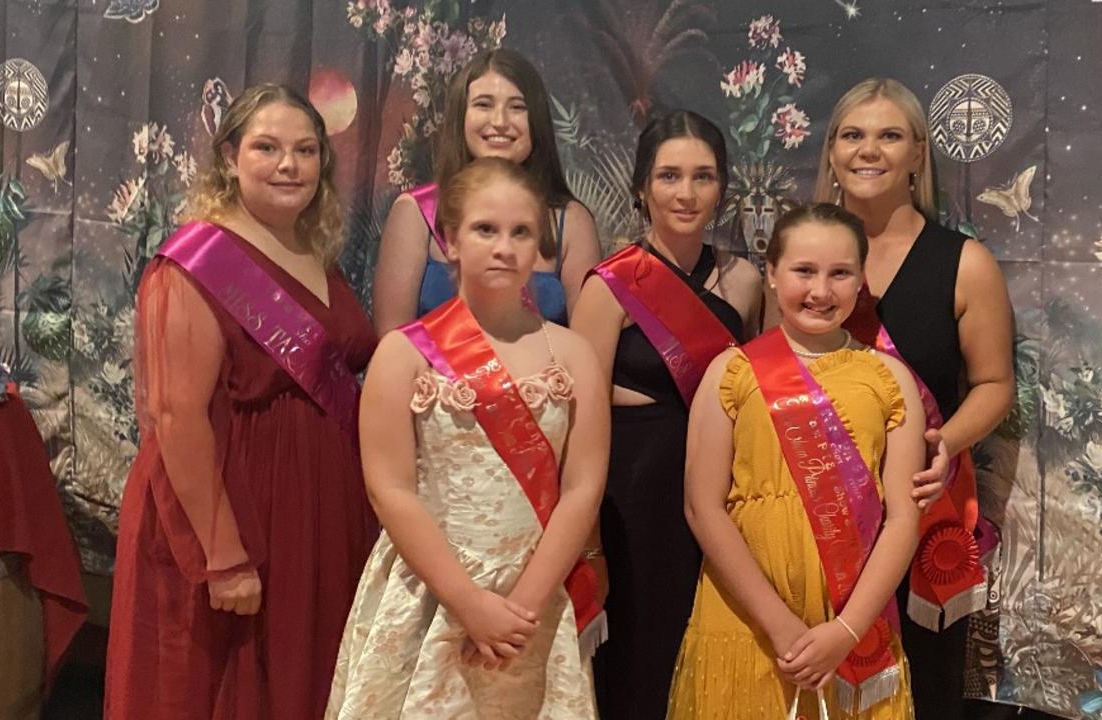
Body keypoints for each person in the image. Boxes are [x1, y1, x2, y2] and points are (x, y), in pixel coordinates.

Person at [105, 84, 377, 720]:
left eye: (306, 150)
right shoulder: (195, 262)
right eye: (267, 147)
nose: (289, 165)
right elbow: (176, 418)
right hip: (236, 507)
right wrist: (224, 556)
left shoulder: (312, 250)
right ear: (229, 157)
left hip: (317, 508)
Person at [326, 157, 609, 718]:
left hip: (533, 603)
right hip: (432, 593)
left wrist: (525, 602)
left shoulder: (572, 354)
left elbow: (583, 486)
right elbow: (390, 489)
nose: (503, 247)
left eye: (521, 232)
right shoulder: (404, 354)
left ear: (540, 250)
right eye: (485, 229)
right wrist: (469, 603)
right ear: (451, 240)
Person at [667, 203, 925, 719]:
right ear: (771, 272)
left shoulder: (891, 379)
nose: (821, 292)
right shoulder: (731, 372)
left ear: (861, 280)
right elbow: (703, 507)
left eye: (840, 274)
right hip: (746, 618)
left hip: (852, 623)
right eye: (804, 271)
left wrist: (846, 630)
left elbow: (903, 515)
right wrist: (780, 624)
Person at [814, 77, 1015, 718]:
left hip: (920, 507)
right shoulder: (805, 255)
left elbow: (994, 385)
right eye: (853, 134)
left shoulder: (965, 263)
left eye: (889, 135)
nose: (868, 150)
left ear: (918, 156)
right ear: (832, 152)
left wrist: (945, 444)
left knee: (921, 685)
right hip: (822, 510)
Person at [572, 110, 762, 718]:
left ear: (723, 188)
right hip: (630, 498)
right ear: (641, 187)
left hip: (718, 493)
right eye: (669, 176)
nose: (686, 193)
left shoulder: (746, 283)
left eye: (703, 177)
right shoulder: (608, 287)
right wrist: (590, 542)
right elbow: (579, 420)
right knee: (637, 660)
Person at [371, 49, 601, 334]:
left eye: (517, 107)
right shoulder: (416, 212)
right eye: (483, 104)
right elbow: (391, 339)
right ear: (461, 116)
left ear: (537, 121)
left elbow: (588, 351)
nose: (500, 121)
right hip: (430, 378)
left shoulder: (573, 222)